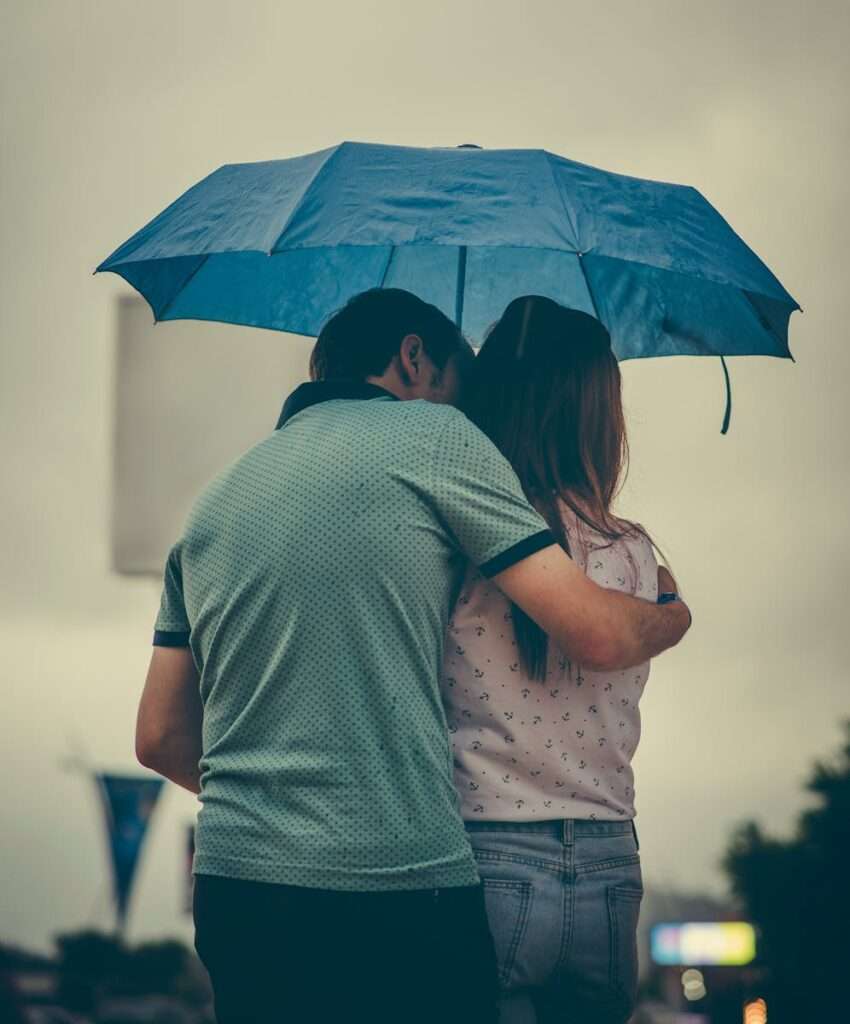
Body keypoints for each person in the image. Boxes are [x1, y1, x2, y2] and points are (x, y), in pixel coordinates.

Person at [135, 288, 690, 1024]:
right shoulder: (438, 441)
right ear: (415, 358)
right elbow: (594, 632)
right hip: (397, 883)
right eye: (463, 385)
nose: (473, 414)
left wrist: (278, 807)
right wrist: (671, 612)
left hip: (236, 885)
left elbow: (160, 739)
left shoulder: (210, 504)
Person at [441, 295, 683, 1024]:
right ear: (598, 415)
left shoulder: (463, 543)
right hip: (611, 858)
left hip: (488, 848)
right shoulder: (635, 552)